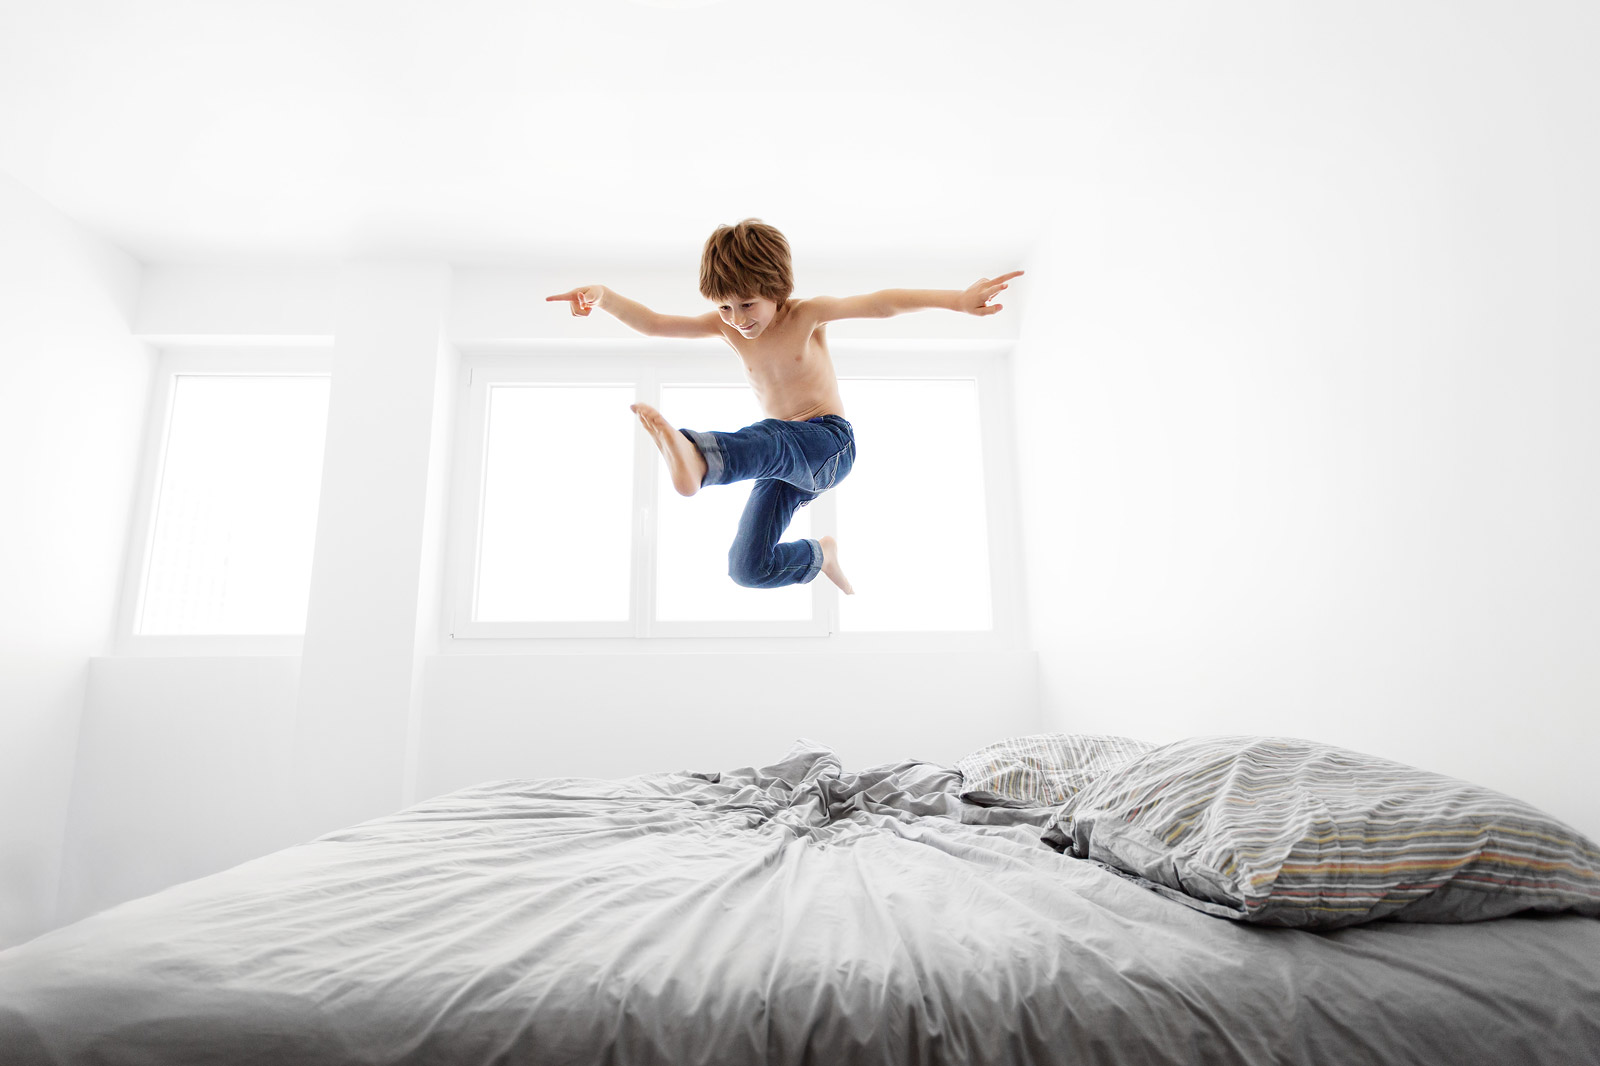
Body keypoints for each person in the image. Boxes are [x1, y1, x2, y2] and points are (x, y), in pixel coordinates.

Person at [547, 218, 1021, 595]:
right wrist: (603, 297)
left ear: (777, 291)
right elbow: (654, 323)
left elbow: (881, 303)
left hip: (829, 444)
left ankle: (700, 457)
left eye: (748, 305)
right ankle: (822, 556)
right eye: (727, 308)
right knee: (746, 568)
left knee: (771, 435)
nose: (738, 319)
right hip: (782, 461)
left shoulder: (806, 315)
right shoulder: (726, 327)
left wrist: (957, 300)